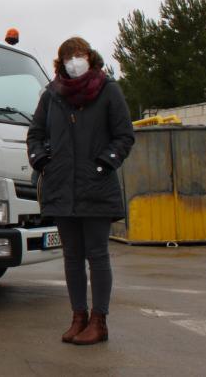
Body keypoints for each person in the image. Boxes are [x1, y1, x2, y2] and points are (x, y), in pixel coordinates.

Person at [27, 37, 134, 345]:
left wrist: (104, 164)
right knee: (72, 256)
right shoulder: (52, 95)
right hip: (61, 187)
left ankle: (99, 322)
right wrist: (41, 159)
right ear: (60, 63)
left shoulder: (108, 90)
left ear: (89, 56)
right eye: (68, 56)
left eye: (79, 55)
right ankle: (78, 318)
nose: (75, 61)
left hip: (96, 185)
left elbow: (124, 135)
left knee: (97, 254)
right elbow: (35, 133)